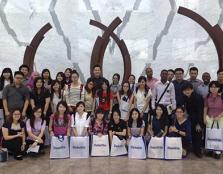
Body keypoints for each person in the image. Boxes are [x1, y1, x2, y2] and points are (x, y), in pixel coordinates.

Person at [182, 82, 204, 158]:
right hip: (190, 118)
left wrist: (199, 124)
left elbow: (200, 111)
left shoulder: (197, 97)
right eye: (185, 90)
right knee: (191, 134)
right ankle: (191, 149)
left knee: (197, 135)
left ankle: (198, 151)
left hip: (198, 119)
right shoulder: (186, 97)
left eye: (188, 90)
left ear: (192, 90)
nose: (187, 91)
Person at [203, 81, 223, 159]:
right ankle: (210, 149)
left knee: (219, 134)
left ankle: (218, 151)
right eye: (211, 87)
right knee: (209, 134)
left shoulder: (221, 96)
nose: (213, 88)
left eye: (215, 87)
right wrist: (204, 118)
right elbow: (205, 108)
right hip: (209, 118)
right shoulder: (207, 96)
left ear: (219, 88)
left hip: (220, 118)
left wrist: (219, 116)